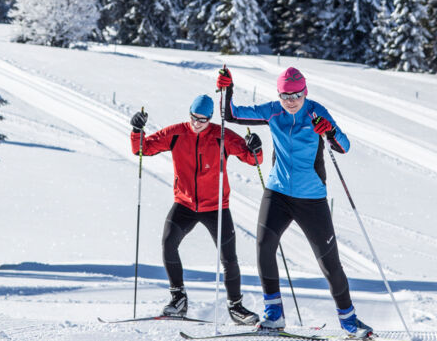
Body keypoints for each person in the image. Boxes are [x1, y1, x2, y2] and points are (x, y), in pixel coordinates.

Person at [216, 66, 374, 339]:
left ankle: (350, 321)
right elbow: (231, 114)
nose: (290, 101)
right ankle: (274, 315)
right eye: (285, 95)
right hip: (277, 192)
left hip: (311, 198)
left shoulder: (316, 112)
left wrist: (330, 132)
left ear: (305, 93)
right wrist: (226, 89)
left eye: (296, 95)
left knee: (329, 263)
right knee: (264, 245)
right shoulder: (273, 111)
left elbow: (344, 146)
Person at [130, 94, 263, 325]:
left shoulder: (221, 137)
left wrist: (255, 148)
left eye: (203, 119)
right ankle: (178, 299)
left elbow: (253, 160)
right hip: (185, 204)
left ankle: (236, 307)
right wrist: (136, 129)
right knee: (168, 243)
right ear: (189, 113)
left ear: (210, 118)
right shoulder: (176, 133)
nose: (197, 123)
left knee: (228, 258)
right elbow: (142, 149)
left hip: (216, 207)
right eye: (194, 117)